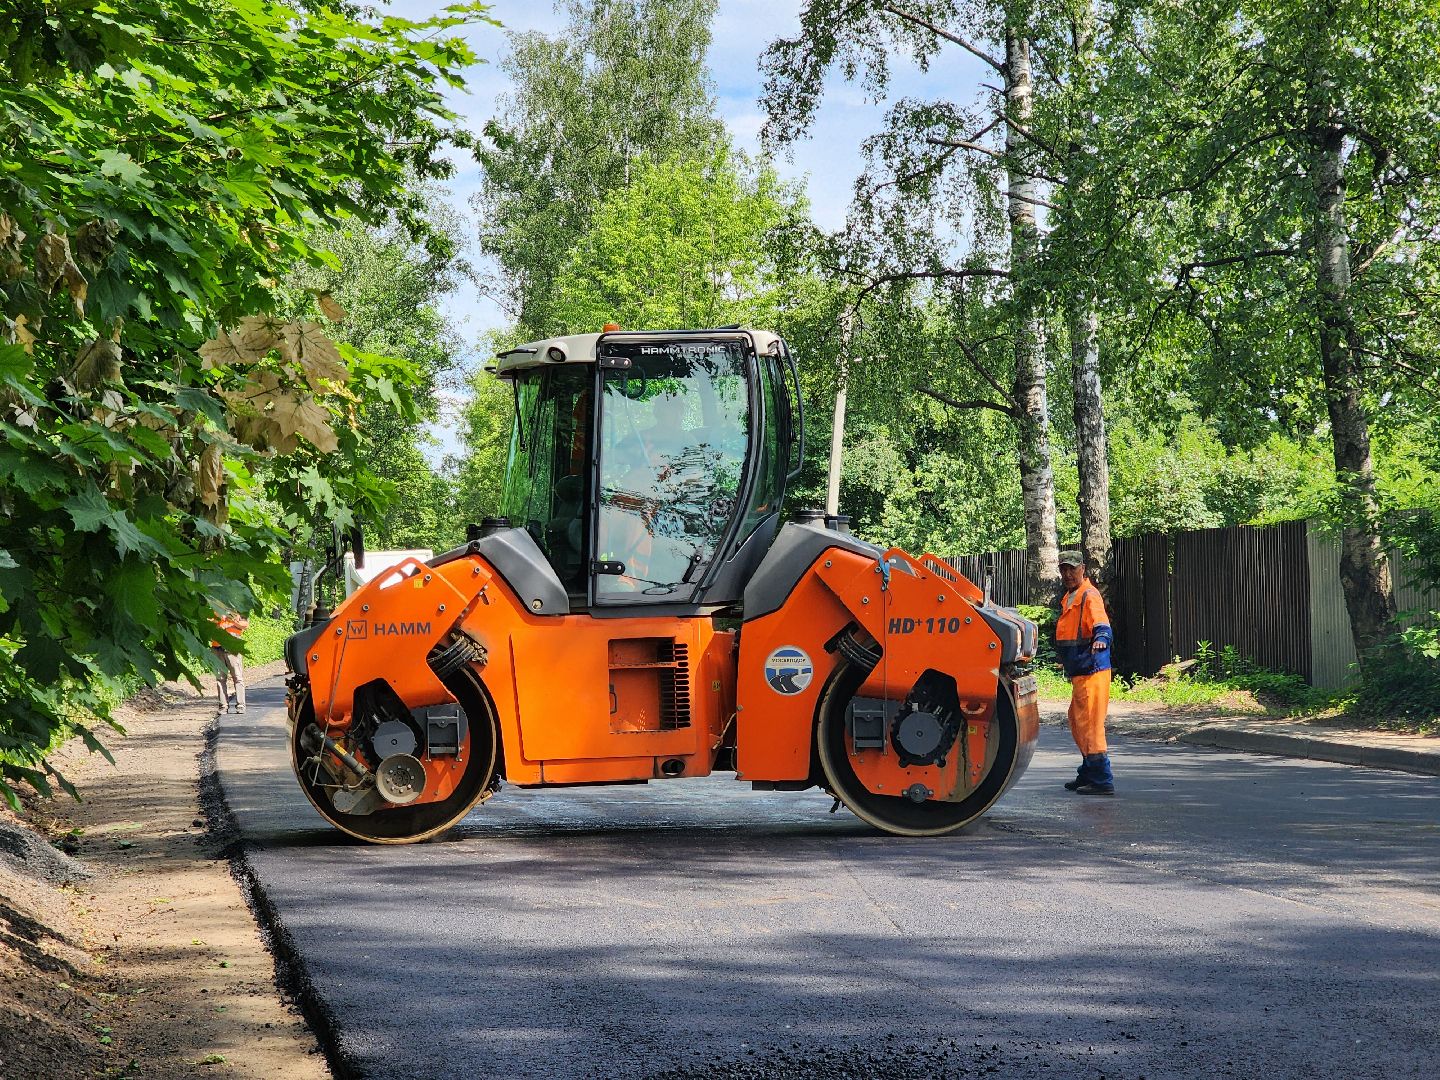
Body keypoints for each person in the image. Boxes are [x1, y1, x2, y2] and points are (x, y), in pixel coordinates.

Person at [1056, 552, 1115, 795]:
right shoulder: (1070, 597)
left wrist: (1102, 637)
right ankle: (1089, 772)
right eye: (1064, 570)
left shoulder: (1089, 595)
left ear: (1083, 568)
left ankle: (1102, 780)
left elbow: (1101, 622)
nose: (1068, 574)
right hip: (1081, 671)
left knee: (1090, 726)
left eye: (1072, 569)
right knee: (1078, 723)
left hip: (1093, 670)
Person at [211, 611, 249, 715]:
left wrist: (231, 620)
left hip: (233, 647)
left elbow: (245, 625)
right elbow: (208, 623)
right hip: (217, 646)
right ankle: (223, 706)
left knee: (237, 677)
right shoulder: (215, 607)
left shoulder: (238, 609)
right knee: (220, 678)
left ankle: (240, 705)